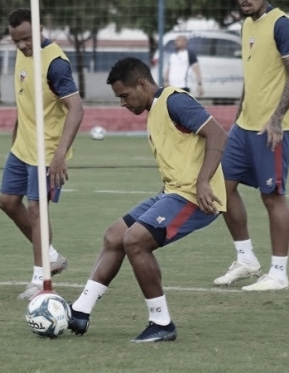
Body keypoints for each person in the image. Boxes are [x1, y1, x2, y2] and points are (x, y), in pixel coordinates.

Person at [67, 57, 228, 343]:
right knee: (115, 235)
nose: (123, 104)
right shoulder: (153, 111)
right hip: (174, 193)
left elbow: (218, 134)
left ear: (142, 84)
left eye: (125, 96)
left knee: (135, 240)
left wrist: (204, 181)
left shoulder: (174, 101)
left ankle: (161, 322)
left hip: (196, 197)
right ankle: (80, 311)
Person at [212, 0, 289, 291]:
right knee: (221, 186)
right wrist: (239, 114)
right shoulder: (247, 24)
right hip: (245, 125)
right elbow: (252, 76)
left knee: (272, 196)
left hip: (272, 129)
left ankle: (278, 274)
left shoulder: (282, 24)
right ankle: (246, 259)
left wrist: (276, 118)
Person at [0, 8, 84, 299]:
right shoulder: (22, 53)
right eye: (16, 41)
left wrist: (60, 155)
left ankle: (41, 279)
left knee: (37, 211)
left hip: (46, 151)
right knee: (7, 202)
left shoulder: (56, 64)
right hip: (22, 146)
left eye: (26, 39)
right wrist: (15, 137)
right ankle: (51, 256)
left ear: (40, 29)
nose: (22, 45)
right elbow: (26, 101)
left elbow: (77, 108)